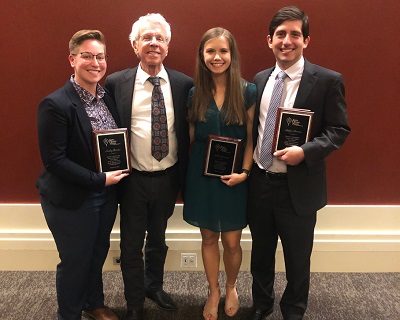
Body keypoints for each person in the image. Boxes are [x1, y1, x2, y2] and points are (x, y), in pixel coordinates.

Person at [247, 6, 351, 320]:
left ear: (306, 40)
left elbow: (339, 130)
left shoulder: (328, 81)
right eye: (280, 34)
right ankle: (262, 304)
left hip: (299, 187)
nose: (287, 41)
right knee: (261, 254)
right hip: (261, 183)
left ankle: (293, 310)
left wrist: (304, 152)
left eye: (295, 34)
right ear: (269, 40)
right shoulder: (260, 79)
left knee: (297, 257)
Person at [105, 13, 193, 320]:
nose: (153, 43)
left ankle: (154, 286)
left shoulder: (184, 84)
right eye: (146, 38)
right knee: (130, 245)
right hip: (132, 181)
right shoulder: (116, 82)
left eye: (160, 38)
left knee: (158, 238)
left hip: (168, 178)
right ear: (134, 45)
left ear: (168, 46)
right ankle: (133, 302)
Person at [36, 30, 128, 320]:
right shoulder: (55, 104)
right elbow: (55, 161)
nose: (95, 62)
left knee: (97, 253)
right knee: (75, 261)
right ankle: (70, 314)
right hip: (72, 198)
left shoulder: (107, 97)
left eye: (100, 56)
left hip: (106, 194)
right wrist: (99, 180)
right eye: (87, 56)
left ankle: (93, 303)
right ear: (72, 59)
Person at [183, 27, 256, 320]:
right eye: (210, 51)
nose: (217, 57)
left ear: (232, 54)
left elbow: (252, 138)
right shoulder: (194, 93)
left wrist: (246, 172)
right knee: (209, 237)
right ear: (202, 56)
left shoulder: (248, 90)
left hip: (236, 178)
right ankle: (213, 290)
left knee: (232, 242)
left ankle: (231, 285)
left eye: (223, 51)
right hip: (203, 178)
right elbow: (189, 139)